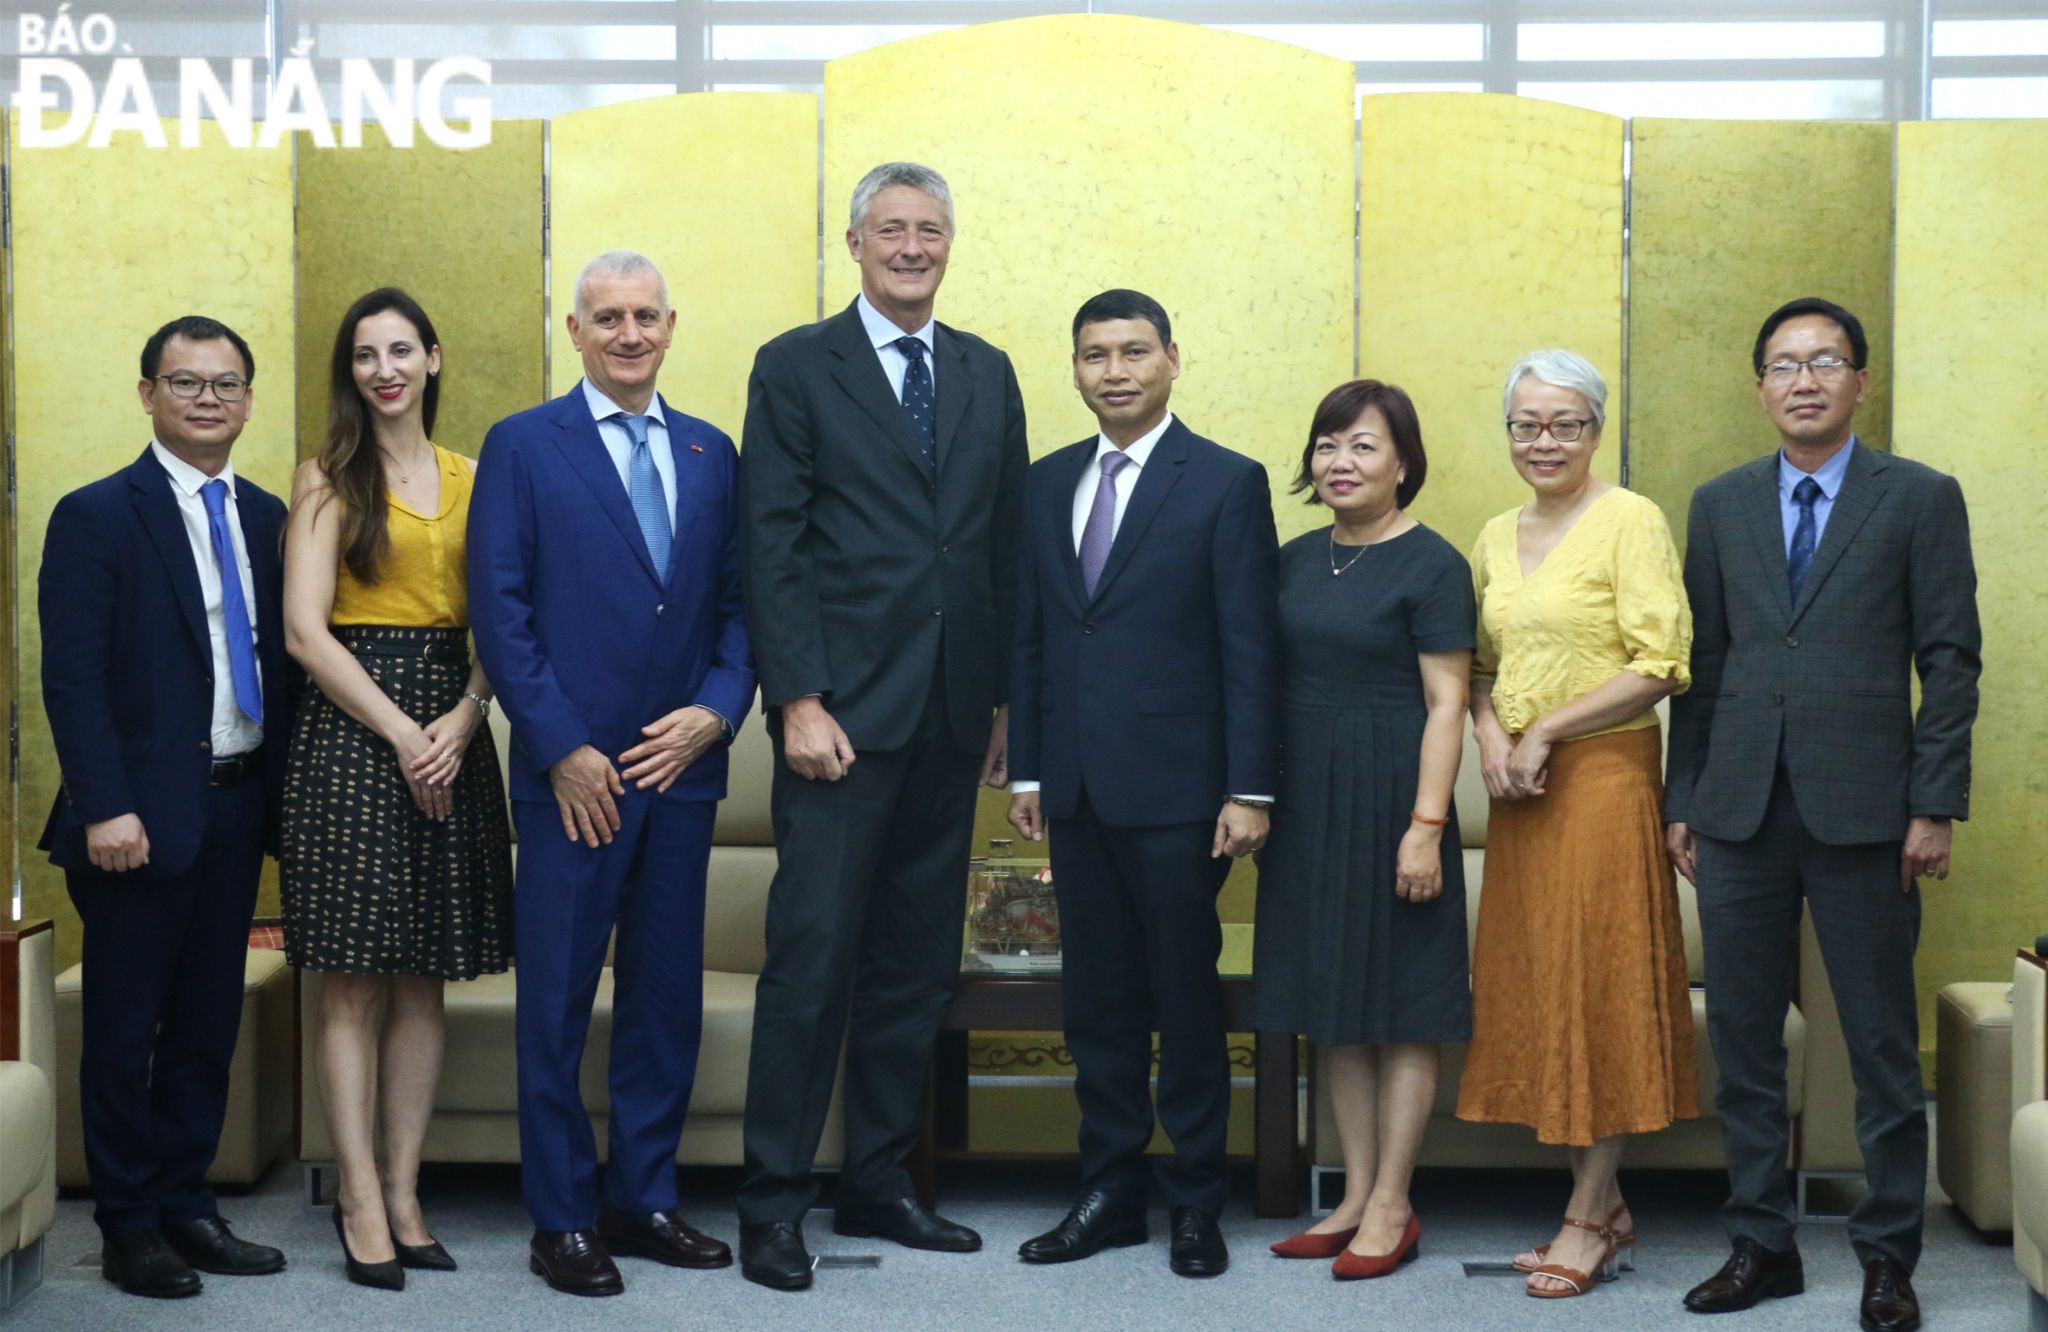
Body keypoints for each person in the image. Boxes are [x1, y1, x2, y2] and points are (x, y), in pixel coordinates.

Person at [735, 161, 1027, 1291]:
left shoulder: (984, 370)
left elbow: (999, 546)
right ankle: (772, 1202)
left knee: (912, 968)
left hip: (954, 712)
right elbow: (773, 542)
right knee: (811, 964)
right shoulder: (796, 366)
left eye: (930, 230)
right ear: (853, 243)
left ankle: (877, 1179)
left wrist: (1004, 702)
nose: (911, 246)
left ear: (949, 244)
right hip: (839, 721)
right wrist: (796, 698)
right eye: (890, 229)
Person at [1666, 298, 1979, 1332]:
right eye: (1782, 364)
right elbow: (1702, 666)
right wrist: (1685, 801)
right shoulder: (1717, 504)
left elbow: (1948, 661)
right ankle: (1761, 1244)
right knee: (1748, 1045)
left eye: (1824, 361)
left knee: (1879, 1047)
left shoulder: (1918, 498)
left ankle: (1887, 1255)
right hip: (1739, 811)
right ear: (1757, 386)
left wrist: (1931, 806)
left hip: (1870, 813)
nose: (1802, 380)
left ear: (1859, 381)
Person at [469, 250, 754, 1297]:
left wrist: (718, 712)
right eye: (606, 318)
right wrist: (561, 745)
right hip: (572, 779)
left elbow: (737, 610)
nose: (627, 333)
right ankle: (561, 1218)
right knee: (553, 1001)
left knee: (662, 997)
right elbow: (498, 611)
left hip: (679, 772)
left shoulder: (710, 451)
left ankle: (642, 1198)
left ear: (671, 326)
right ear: (574, 330)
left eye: (644, 316)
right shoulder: (522, 446)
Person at [1008, 289, 1281, 1279]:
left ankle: (1196, 1199)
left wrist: (1249, 787)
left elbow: (1249, 647)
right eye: (1093, 355)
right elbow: (1034, 636)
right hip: (1073, 789)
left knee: (1182, 994)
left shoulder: (1221, 482)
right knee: (1097, 1002)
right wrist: (1030, 767)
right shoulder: (1044, 486)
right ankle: (1109, 1191)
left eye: (1131, 352)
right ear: (1073, 369)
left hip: (1181, 794)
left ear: (1172, 359)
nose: (1112, 370)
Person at [38, 316, 295, 1298]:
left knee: (203, 1025)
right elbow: (73, 679)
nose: (206, 400)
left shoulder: (269, 516)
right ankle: (128, 1223)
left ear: (247, 400)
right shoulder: (97, 514)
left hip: (235, 808)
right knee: (123, 1029)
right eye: (184, 382)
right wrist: (105, 805)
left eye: (225, 384)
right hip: (133, 822)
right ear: (147, 392)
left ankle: (189, 1205)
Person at [280, 288, 515, 1289]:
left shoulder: (479, 477)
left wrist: (460, 722)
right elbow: (304, 632)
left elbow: (507, 619)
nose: (384, 369)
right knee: (355, 977)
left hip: (453, 729)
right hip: (350, 734)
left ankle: (408, 1190)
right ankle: (360, 1198)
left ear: (432, 356)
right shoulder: (328, 477)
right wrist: (402, 733)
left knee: (425, 976)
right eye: (365, 355)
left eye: (400, 350)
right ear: (353, 371)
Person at [1454, 349, 1698, 1299]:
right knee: (1540, 984)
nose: (1543, 441)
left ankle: (1589, 1216)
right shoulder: (1491, 532)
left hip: (1602, 778)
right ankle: (1603, 1202)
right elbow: (1477, 663)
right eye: (1525, 424)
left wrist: (1547, 727)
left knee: (1596, 986)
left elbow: (1662, 660)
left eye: (1564, 423)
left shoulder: (1629, 519)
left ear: (1596, 430)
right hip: (1520, 788)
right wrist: (1490, 736)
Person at [1255, 379, 1472, 1280]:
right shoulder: (1296, 559)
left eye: (1364, 446)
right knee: (1332, 1006)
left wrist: (1424, 827)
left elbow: (1448, 701)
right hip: (1307, 795)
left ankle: (1394, 1202)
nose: (1341, 463)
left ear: (1404, 463)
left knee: (1404, 1006)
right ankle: (1349, 1193)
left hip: (1393, 791)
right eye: (1328, 445)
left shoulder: (1433, 564)